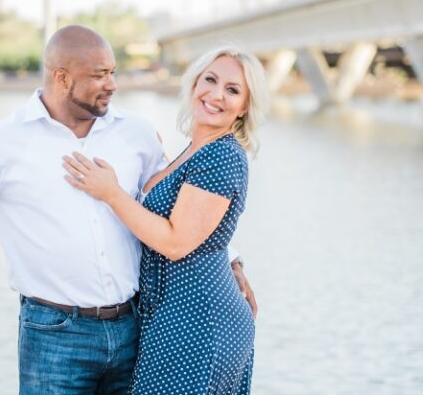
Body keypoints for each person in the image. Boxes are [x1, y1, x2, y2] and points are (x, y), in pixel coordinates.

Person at [0, 26, 257, 394]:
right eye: (99, 75)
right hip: (55, 336)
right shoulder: (3, 140)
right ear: (61, 78)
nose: (112, 84)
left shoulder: (135, 132)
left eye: (112, 72)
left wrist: (231, 259)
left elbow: (176, 206)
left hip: (134, 328)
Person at [62, 47, 269, 394]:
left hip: (199, 325)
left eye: (233, 90)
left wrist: (111, 193)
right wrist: (233, 257)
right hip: (174, 319)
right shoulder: (195, 149)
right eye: (211, 80)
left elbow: (175, 242)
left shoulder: (222, 156)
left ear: (245, 107)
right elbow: (198, 220)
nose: (217, 94)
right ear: (194, 84)